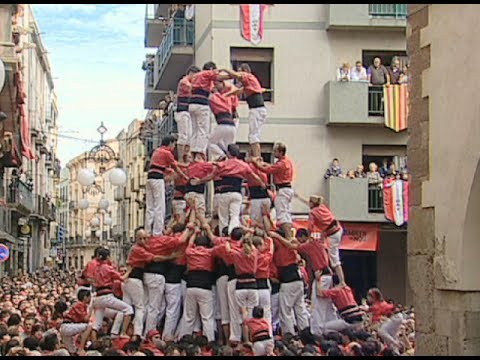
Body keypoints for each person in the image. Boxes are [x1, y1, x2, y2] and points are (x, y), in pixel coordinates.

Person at [191, 144, 266, 235]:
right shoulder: (243, 165)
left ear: (228, 153)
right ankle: (234, 235)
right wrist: (262, 183)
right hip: (236, 193)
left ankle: (224, 236)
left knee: (223, 218)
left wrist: (199, 181)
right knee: (234, 216)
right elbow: (254, 176)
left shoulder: (222, 165)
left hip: (224, 193)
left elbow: (210, 177)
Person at [295, 194, 346, 287]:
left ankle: (342, 281)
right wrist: (298, 197)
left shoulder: (313, 213)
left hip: (332, 234)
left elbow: (310, 228)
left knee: (334, 259)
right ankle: (340, 280)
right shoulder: (322, 207)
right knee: (333, 256)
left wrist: (308, 239)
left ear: (312, 203)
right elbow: (309, 204)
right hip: (338, 228)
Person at [269, 230, 309, 337]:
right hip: (298, 280)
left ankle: (289, 335)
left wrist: (275, 236)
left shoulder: (280, 246)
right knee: (300, 309)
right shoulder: (291, 245)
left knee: (285, 311)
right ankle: (305, 333)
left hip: (288, 281)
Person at [222, 63, 268, 157]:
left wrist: (225, 69)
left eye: (240, 71)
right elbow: (237, 91)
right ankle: (256, 155)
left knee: (253, 136)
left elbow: (237, 75)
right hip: (258, 109)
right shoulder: (249, 83)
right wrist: (224, 96)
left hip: (256, 109)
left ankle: (257, 157)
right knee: (254, 135)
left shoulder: (248, 76)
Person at [146, 135, 188, 236]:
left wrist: (183, 166)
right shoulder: (167, 153)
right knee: (160, 206)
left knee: (150, 206)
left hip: (150, 178)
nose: (174, 148)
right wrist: (184, 177)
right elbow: (175, 166)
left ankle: (147, 230)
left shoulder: (157, 151)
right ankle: (157, 232)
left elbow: (164, 166)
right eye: (174, 144)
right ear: (170, 143)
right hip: (157, 179)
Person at [253, 142, 294, 238]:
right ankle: (288, 236)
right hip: (286, 189)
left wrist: (256, 163)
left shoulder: (281, 164)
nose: (273, 153)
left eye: (275, 151)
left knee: (282, 216)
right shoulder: (287, 161)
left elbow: (268, 170)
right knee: (286, 215)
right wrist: (262, 163)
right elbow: (270, 166)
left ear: (280, 152)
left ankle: (288, 238)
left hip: (282, 189)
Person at [188, 61, 230, 155]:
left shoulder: (196, 76)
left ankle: (193, 152)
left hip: (192, 103)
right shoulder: (207, 73)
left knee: (195, 130)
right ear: (211, 69)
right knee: (203, 130)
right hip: (201, 104)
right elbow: (220, 78)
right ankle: (200, 154)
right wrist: (234, 75)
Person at [92, 248, 133, 339]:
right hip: (106, 296)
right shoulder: (108, 268)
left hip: (98, 298)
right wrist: (130, 270)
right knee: (128, 309)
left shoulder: (96, 268)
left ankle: (93, 343)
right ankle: (122, 333)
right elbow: (122, 278)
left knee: (96, 325)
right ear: (108, 257)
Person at [208, 80, 240, 161]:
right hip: (232, 125)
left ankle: (222, 156)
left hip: (222, 124)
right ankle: (230, 161)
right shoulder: (228, 97)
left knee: (211, 142)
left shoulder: (213, 97)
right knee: (229, 147)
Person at [175, 65, 201, 162]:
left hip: (187, 111)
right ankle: (181, 159)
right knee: (184, 135)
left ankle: (186, 158)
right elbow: (192, 89)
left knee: (189, 136)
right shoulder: (184, 82)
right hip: (182, 111)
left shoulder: (188, 83)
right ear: (191, 73)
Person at [59, 289, 93, 355]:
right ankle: (81, 348)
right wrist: (91, 309)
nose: (90, 299)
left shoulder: (79, 305)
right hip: (68, 327)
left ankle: (78, 350)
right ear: (85, 297)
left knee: (72, 352)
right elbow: (86, 319)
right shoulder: (79, 304)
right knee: (89, 326)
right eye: (89, 297)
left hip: (67, 329)